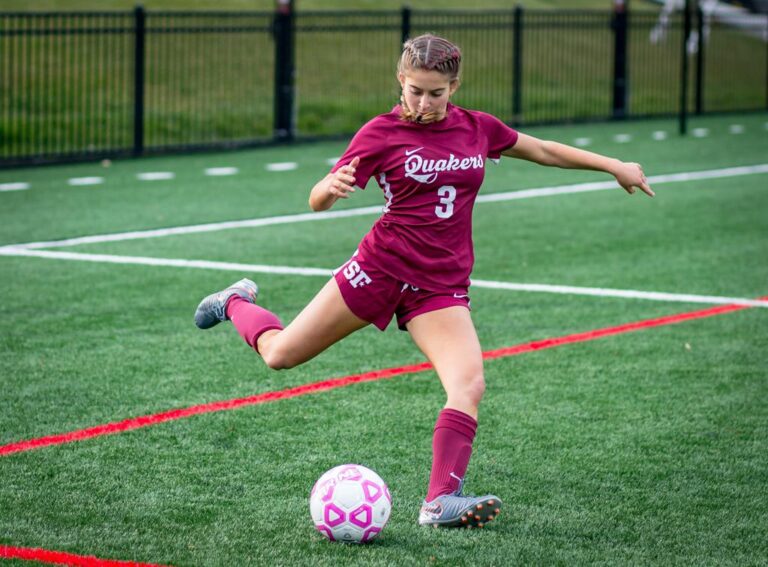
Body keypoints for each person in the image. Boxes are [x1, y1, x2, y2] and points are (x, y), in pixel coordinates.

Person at [194, 34, 654, 529]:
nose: (424, 102)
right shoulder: (379, 133)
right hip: (380, 269)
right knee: (280, 355)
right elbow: (317, 200)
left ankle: (439, 502)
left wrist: (614, 166)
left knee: (468, 383)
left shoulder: (477, 128)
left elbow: (540, 149)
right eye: (415, 90)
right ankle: (237, 301)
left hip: (439, 287)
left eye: (436, 92)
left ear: (454, 85)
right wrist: (328, 189)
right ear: (400, 80)